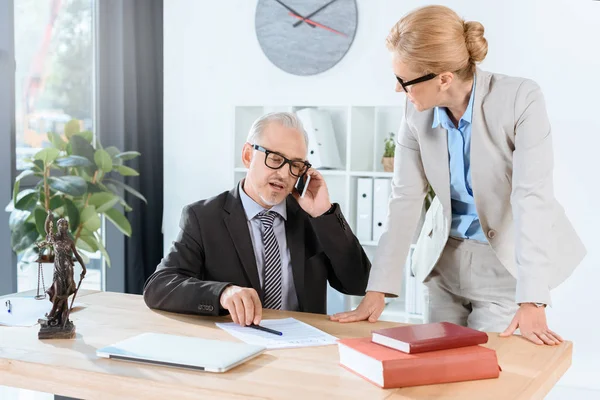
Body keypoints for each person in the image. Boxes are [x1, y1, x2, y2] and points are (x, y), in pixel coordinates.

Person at [331, 5, 586, 346]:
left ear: (444, 78)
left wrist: (533, 298)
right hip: (442, 263)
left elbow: (531, 197)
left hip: (502, 264)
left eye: (403, 81)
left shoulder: (520, 98)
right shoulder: (415, 110)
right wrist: (378, 290)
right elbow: (404, 198)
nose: (398, 90)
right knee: (434, 371)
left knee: (486, 377)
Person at [144, 112, 371, 326]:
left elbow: (359, 283)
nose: (284, 174)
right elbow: (159, 287)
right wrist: (223, 293)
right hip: (235, 344)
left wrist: (324, 213)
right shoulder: (203, 217)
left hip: (302, 347)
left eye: (295, 165)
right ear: (248, 155)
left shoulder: (312, 217)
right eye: (275, 159)